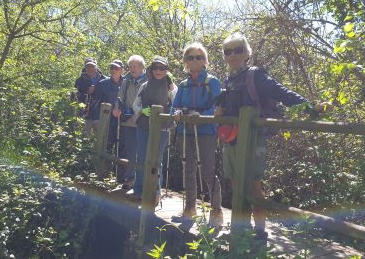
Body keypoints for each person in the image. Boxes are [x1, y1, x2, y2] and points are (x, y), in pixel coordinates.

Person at [215, 32, 330, 241]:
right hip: (232, 139)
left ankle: (259, 233)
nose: (232, 55)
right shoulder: (229, 79)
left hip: (253, 139)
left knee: (254, 186)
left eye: (237, 50)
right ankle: (240, 230)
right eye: (228, 51)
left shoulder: (255, 75)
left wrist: (310, 107)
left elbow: (281, 92)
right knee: (234, 183)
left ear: (247, 53)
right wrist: (219, 114)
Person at [172, 42, 223, 227]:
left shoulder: (213, 82)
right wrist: (176, 113)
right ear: (186, 61)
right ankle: (189, 209)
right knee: (188, 169)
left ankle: (216, 211)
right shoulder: (183, 85)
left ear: (205, 61)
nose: (195, 60)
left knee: (208, 171)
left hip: (206, 132)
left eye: (199, 57)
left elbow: (219, 109)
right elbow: (174, 106)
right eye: (191, 57)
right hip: (186, 132)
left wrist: (201, 116)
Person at [132, 56, 177, 204]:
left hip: (162, 127)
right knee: (142, 157)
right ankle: (138, 190)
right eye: (155, 68)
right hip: (144, 125)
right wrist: (142, 111)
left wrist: (171, 84)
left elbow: (176, 102)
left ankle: (155, 192)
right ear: (151, 69)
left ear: (167, 70)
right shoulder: (144, 85)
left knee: (157, 159)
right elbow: (135, 104)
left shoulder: (171, 87)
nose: (158, 71)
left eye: (162, 68)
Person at [113, 55, 147, 190]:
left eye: (135, 66)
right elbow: (120, 97)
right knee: (130, 150)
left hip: (143, 120)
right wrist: (116, 108)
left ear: (142, 67)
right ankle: (130, 177)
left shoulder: (149, 80)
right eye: (130, 66)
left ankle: (141, 180)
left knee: (143, 151)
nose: (132, 69)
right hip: (128, 120)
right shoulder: (126, 81)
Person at [96, 59, 125, 152]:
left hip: (123, 122)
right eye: (112, 67)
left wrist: (122, 110)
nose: (113, 70)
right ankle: (105, 166)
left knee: (122, 149)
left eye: (116, 68)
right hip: (107, 121)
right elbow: (97, 104)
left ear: (121, 70)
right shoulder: (102, 84)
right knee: (106, 148)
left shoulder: (127, 83)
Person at [74, 57, 106, 135]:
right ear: (85, 68)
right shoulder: (79, 81)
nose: (90, 69)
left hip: (100, 114)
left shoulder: (104, 80)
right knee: (84, 136)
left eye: (92, 66)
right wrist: (87, 92)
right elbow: (74, 98)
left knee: (99, 137)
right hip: (85, 114)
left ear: (96, 67)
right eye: (88, 66)